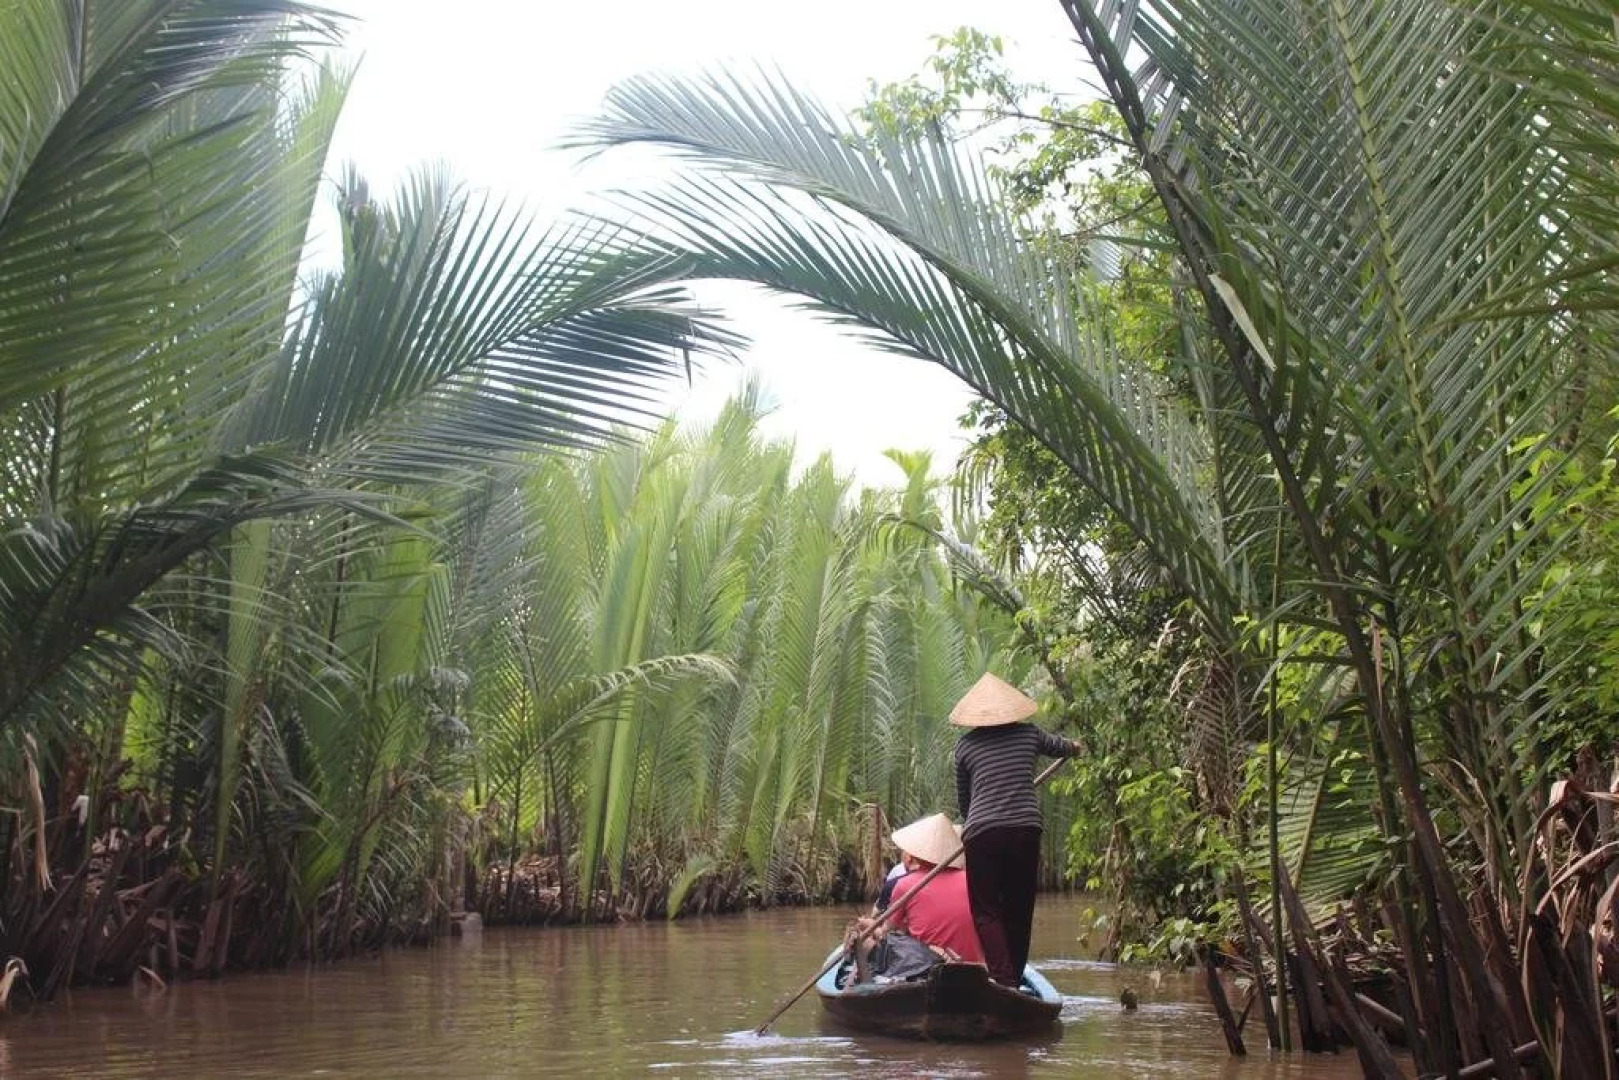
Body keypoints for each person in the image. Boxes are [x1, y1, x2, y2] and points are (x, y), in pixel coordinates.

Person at [951, 672, 1081, 987]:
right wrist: (1076, 747)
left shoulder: (965, 747)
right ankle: (1013, 978)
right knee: (1019, 908)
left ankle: (1002, 978)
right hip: (1025, 830)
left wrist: (973, 828)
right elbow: (1063, 747)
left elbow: (966, 804)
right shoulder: (1029, 735)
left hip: (982, 832)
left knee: (986, 911)